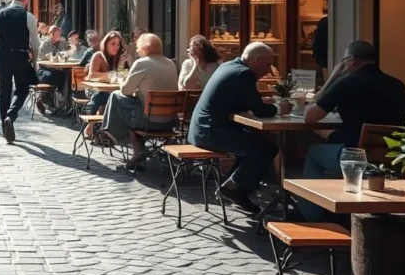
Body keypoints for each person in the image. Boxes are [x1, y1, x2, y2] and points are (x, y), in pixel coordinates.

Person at [298, 40, 405, 221]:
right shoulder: (397, 85)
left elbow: (309, 116)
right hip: (391, 157)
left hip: (356, 159)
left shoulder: (346, 83)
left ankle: (311, 216)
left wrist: (332, 78)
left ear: (350, 61)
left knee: (314, 152)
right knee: (334, 142)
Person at [188, 42, 286, 214]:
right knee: (266, 148)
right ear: (257, 60)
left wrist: (260, 104)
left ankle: (233, 186)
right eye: (268, 64)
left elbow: (242, 101)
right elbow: (260, 110)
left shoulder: (229, 66)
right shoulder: (244, 74)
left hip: (201, 129)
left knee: (255, 144)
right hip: (211, 132)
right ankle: (234, 188)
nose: (269, 70)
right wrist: (279, 108)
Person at [100, 34, 179, 170]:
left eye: (138, 47)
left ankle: (128, 146)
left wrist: (121, 79)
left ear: (145, 48)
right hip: (170, 122)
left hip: (148, 122)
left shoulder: (142, 63)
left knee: (115, 96)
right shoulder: (171, 63)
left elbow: (125, 90)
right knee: (136, 110)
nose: (136, 50)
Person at [0, 0, 41, 144]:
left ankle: (5, 128)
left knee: (4, 91)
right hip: (20, 56)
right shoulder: (28, 17)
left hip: (3, 56)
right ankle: (10, 116)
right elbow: (35, 44)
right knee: (22, 89)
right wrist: (34, 62)